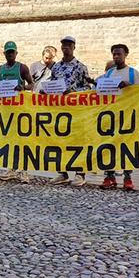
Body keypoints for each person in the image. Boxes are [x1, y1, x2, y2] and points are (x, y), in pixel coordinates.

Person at [48, 36, 92, 185]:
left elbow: (87, 89)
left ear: (74, 47)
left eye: (68, 45)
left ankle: (80, 173)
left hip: (76, 110)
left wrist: (72, 91)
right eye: (63, 45)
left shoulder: (80, 67)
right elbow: (52, 83)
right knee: (61, 140)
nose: (65, 48)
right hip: (60, 110)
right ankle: (63, 172)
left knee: (78, 140)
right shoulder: (56, 67)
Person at [100, 43, 139, 191]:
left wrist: (129, 85)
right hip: (111, 114)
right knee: (109, 145)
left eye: (119, 54)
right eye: (114, 54)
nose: (116, 57)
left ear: (126, 55)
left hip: (128, 114)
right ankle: (109, 176)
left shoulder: (132, 73)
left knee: (127, 146)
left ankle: (128, 177)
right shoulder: (109, 73)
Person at [0, 43, 34, 182]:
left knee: (22, 140)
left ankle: (24, 170)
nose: (10, 54)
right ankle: (11, 168)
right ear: (4, 54)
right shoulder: (0, 69)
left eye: (12, 52)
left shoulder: (22, 68)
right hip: (6, 109)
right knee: (9, 140)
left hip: (20, 109)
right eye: (8, 52)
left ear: (16, 53)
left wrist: (23, 87)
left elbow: (32, 84)